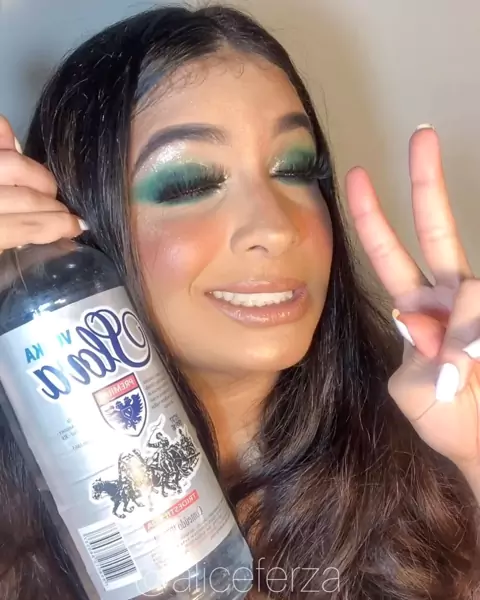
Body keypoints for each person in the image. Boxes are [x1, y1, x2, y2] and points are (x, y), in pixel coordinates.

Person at [0, 4, 479, 599]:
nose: (276, 228)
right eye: (190, 183)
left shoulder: (430, 462)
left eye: (295, 169)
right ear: (78, 229)